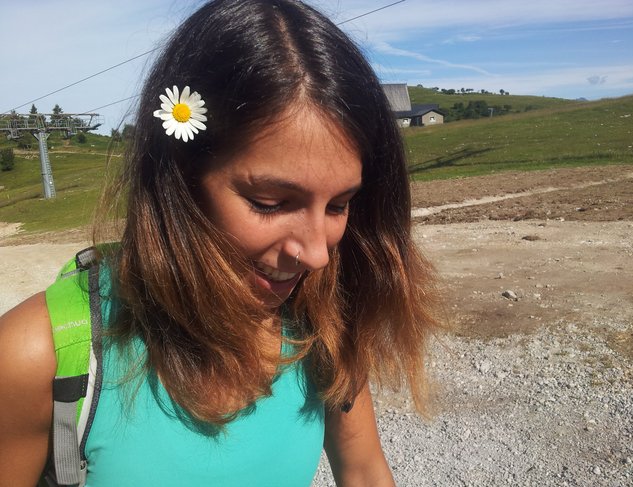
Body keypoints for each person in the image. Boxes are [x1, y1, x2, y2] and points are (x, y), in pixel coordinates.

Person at [0, 0, 439, 485]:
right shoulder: (35, 355)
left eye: (339, 205)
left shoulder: (323, 321)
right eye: (270, 203)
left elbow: (363, 469)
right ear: (180, 179)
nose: (317, 255)